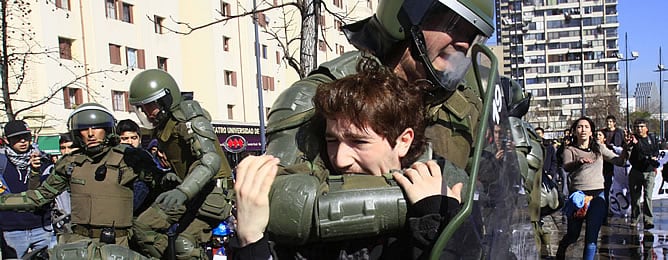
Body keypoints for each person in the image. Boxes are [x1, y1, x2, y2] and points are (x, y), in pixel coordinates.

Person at [264, 0, 544, 255]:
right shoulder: (325, 93)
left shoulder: (465, 104)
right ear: (408, 15)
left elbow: (503, 193)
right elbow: (282, 204)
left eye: (470, 33)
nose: (463, 43)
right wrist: (427, 206)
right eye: (451, 24)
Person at [233, 62, 465, 259]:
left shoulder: (443, 200)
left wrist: (436, 222)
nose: (341, 159)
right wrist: (251, 240)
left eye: (359, 142)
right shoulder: (314, 202)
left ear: (403, 141)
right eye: (332, 140)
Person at [0, 103, 151, 259]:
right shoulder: (70, 163)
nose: (91, 134)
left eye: (96, 128)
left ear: (107, 129)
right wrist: (4, 201)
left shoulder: (131, 158)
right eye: (85, 129)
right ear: (77, 133)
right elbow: (40, 196)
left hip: (119, 244)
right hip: (80, 246)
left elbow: (162, 190)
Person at [128, 69, 233, 259]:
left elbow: (210, 160)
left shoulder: (190, 119)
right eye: (142, 108)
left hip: (213, 195)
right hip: (190, 192)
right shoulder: (163, 125)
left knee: (182, 244)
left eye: (149, 105)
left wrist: (183, 190)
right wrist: (173, 176)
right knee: (142, 226)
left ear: (165, 100)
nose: (146, 112)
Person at [556, 117, 629, 260]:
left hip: (598, 196)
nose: (583, 130)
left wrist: (627, 147)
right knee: (573, 235)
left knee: (591, 238)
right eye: (579, 127)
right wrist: (579, 162)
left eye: (586, 127)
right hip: (578, 196)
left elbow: (619, 161)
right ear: (574, 131)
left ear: (591, 131)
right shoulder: (569, 149)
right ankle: (562, 248)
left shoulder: (599, 148)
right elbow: (566, 166)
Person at [0, 120, 54, 259]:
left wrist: (36, 170)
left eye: (26, 136)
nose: (23, 141)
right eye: (17, 138)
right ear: (6, 140)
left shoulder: (44, 160)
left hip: (42, 226)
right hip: (12, 229)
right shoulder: (2, 163)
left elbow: (42, 193)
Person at [627, 118, 660, 230]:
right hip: (636, 171)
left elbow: (650, 152)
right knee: (635, 198)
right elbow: (627, 151)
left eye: (641, 126)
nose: (639, 129)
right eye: (636, 127)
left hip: (649, 171)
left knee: (647, 197)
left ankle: (648, 220)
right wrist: (628, 143)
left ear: (646, 128)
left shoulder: (651, 139)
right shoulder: (632, 139)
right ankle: (634, 218)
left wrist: (638, 145)